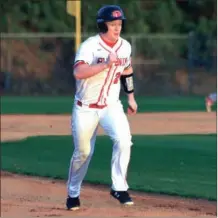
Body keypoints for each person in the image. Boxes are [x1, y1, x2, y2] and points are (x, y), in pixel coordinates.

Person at [66, 5, 138, 210]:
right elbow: (78, 72)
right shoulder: (90, 46)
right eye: (112, 24)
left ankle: (119, 187)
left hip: (111, 106)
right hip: (85, 107)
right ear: (102, 25)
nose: (117, 28)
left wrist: (131, 97)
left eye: (119, 24)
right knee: (83, 152)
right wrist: (105, 64)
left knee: (124, 140)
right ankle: (73, 193)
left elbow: (127, 70)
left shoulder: (125, 46)